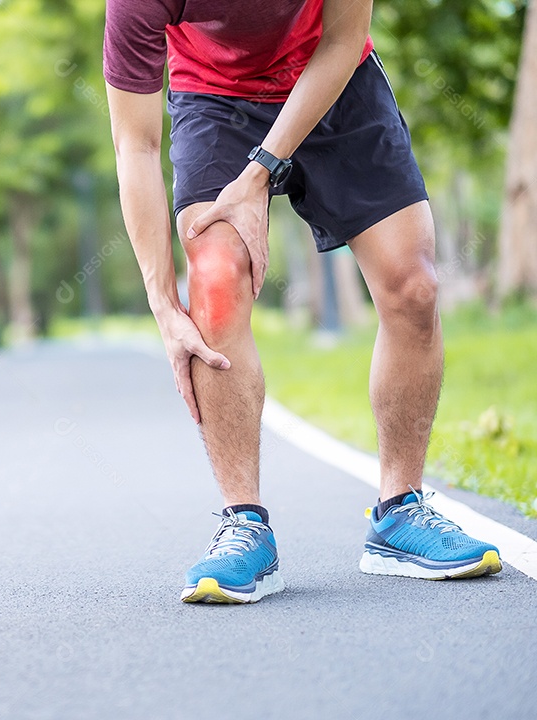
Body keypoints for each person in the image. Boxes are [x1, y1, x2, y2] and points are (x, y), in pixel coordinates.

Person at [103, 0, 502, 603]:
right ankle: (244, 524)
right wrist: (163, 305)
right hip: (214, 99)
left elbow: (344, 40)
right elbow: (134, 145)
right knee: (213, 286)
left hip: (335, 76)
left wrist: (261, 170)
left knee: (412, 286)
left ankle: (399, 512)